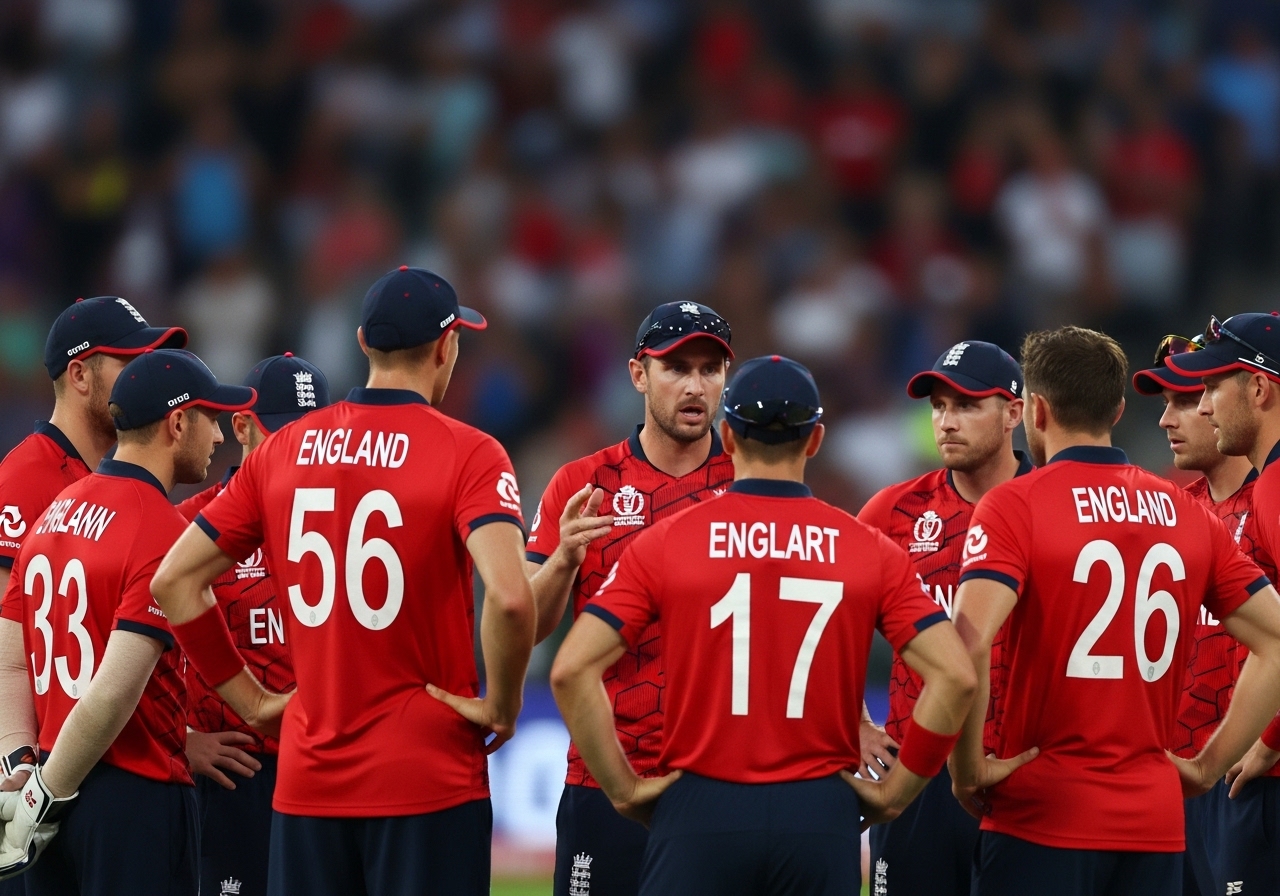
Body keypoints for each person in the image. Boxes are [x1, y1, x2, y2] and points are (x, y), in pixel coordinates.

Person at [149, 266, 536, 896]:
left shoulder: (281, 451)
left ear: (361, 342)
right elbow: (513, 599)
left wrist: (252, 704)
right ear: (447, 347)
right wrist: (504, 704)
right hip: (427, 776)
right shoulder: (470, 452)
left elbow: (174, 583)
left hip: (307, 781)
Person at [551, 355, 981, 896]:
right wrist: (898, 791)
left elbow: (571, 669)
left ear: (727, 437)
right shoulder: (866, 548)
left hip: (699, 804)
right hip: (820, 812)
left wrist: (623, 790)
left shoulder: (669, 541)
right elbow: (957, 676)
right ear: (816, 439)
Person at [951, 326, 1280, 896]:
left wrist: (966, 769)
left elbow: (969, 643)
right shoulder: (1185, 513)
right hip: (1154, 823)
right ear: (1119, 410)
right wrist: (1205, 766)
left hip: (1042, 814)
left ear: (1036, 409)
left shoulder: (1015, 502)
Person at [0, 349, 255, 894]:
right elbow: (111, 692)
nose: (218, 439)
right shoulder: (162, 530)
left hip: (48, 788)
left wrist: (25, 770)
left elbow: (10, 661)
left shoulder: (54, 511)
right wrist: (46, 792)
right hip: (133, 795)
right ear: (178, 422)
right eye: (211, 420)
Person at [526, 301, 735, 896]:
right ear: (638, 375)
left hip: (720, 782)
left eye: (710, 368)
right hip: (604, 780)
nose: (695, 385)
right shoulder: (581, 484)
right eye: (675, 368)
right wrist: (564, 558)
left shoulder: (751, 483)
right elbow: (531, 627)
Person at [857, 340, 1032, 895]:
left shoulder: (1051, 505)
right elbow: (834, 624)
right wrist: (857, 721)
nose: (946, 422)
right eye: (938, 406)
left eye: (966, 405)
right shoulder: (892, 512)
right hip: (920, 771)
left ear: (1014, 413)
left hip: (1022, 770)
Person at [178, 353, 331, 896]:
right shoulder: (188, 530)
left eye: (313, 434)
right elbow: (127, 655)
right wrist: (184, 739)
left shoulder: (345, 525)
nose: (300, 449)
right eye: (284, 433)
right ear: (241, 426)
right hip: (235, 779)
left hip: (326, 767)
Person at [1133, 333, 1261, 896]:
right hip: (1173, 782)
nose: (1168, 420)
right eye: (1164, 404)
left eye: (1186, 399)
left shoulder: (1270, 504)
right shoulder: (1169, 518)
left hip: (1248, 778)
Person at [1165, 314, 1280, 893]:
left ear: (1258, 389)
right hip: (1195, 781)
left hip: (1251, 780)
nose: (1195, 411)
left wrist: (1270, 738)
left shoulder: (1273, 487)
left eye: (1206, 391)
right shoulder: (1169, 513)